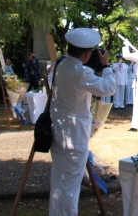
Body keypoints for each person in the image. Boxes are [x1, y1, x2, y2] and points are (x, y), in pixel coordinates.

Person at [49, 28, 115, 216]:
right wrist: (105, 67)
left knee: (59, 184)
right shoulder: (81, 71)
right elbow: (108, 88)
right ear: (87, 53)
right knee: (70, 187)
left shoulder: (59, 64)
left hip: (58, 131)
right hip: (74, 134)